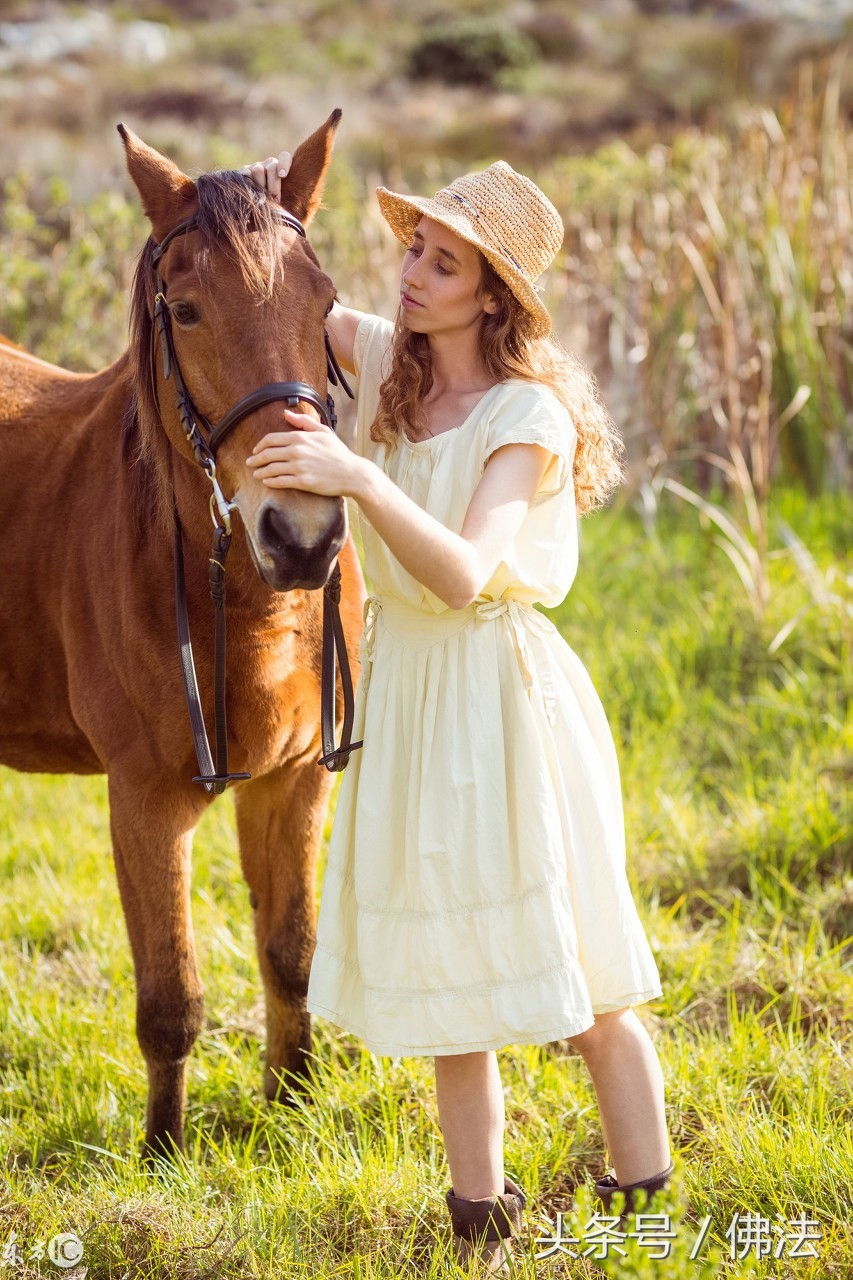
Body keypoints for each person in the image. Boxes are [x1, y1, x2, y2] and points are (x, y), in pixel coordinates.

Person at [241, 150, 674, 1273]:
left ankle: (646, 1203)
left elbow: (466, 573)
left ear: (494, 294)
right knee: (453, 989)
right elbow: (288, 299)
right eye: (412, 249)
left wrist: (357, 476)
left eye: (443, 261)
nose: (411, 274)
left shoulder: (525, 414)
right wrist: (236, 209)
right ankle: (480, 1222)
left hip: (502, 701)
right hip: (418, 700)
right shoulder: (392, 366)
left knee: (580, 974)